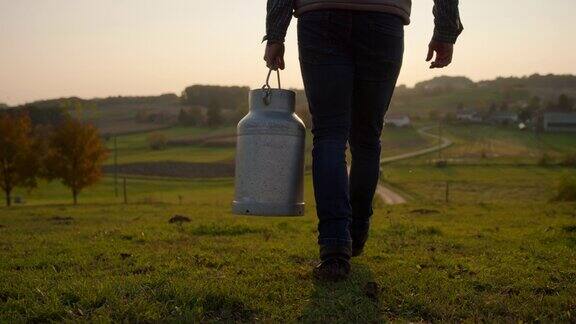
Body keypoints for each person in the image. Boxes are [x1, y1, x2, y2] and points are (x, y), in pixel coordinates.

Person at [263, 0, 463, 281]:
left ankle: (334, 249)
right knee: (367, 138)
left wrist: (275, 34)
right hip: (382, 20)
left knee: (330, 135)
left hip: (321, 18)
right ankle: (355, 234)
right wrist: (444, 30)